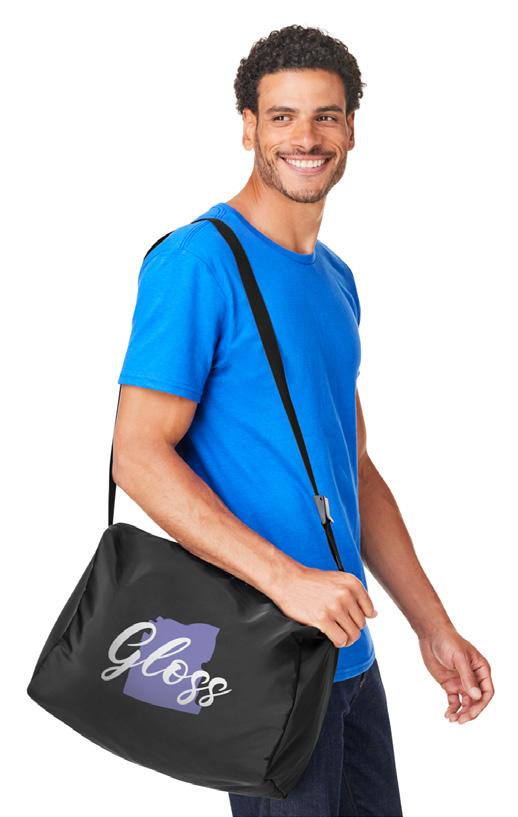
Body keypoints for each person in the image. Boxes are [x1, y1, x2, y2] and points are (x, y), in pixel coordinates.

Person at [113, 24, 494, 817]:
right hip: (263, 655)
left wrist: (433, 626)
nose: (306, 137)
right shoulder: (199, 263)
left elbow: (353, 467)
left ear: (351, 128)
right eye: (282, 116)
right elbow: (138, 456)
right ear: (247, 127)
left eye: (326, 116)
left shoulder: (336, 279)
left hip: (349, 656)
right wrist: (289, 581)